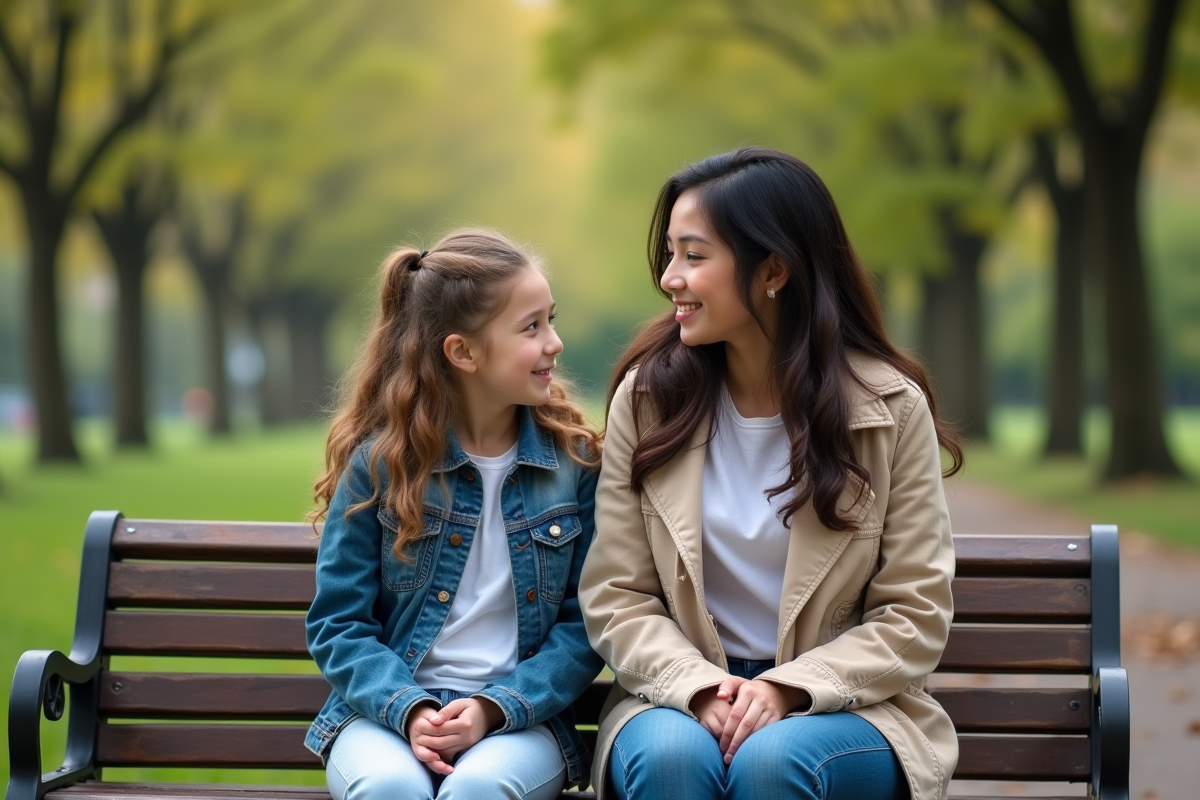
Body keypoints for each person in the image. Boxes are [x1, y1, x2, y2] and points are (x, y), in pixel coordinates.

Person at [579, 148, 963, 800]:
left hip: (846, 708)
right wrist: (695, 687)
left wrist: (788, 689)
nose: (670, 277)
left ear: (773, 271)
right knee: (672, 761)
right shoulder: (647, 402)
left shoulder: (889, 408)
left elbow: (915, 613)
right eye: (670, 254)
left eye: (694, 256)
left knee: (772, 762)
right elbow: (619, 595)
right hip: (677, 695)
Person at [304, 229, 605, 800]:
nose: (555, 342)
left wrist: (494, 708)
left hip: (518, 717)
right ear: (463, 352)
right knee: (389, 789)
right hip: (385, 713)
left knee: (478, 792)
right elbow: (338, 623)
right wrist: (409, 710)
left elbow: (585, 626)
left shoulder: (576, 465)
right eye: (531, 327)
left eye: (550, 320)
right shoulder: (381, 466)